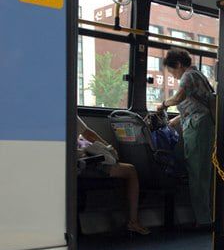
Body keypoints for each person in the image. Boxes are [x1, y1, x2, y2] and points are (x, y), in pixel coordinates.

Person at [158, 49, 214, 228]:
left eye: (172, 71)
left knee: (197, 174)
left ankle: (203, 220)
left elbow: (178, 98)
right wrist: (174, 121)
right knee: (201, 173)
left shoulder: (188, 76)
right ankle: (205, 217)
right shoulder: (199, 76)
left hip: (197, 128)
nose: (174, 76)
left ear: (179, 65)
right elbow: (194, 105)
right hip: (201, 126)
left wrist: (163, 105)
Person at [77, 115, 150, 235]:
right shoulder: (68, 113)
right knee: (130, 170)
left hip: (75, 162)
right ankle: (133, 221)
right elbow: (89, 134)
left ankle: (126, 218)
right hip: (84, 164)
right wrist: (109, 148)